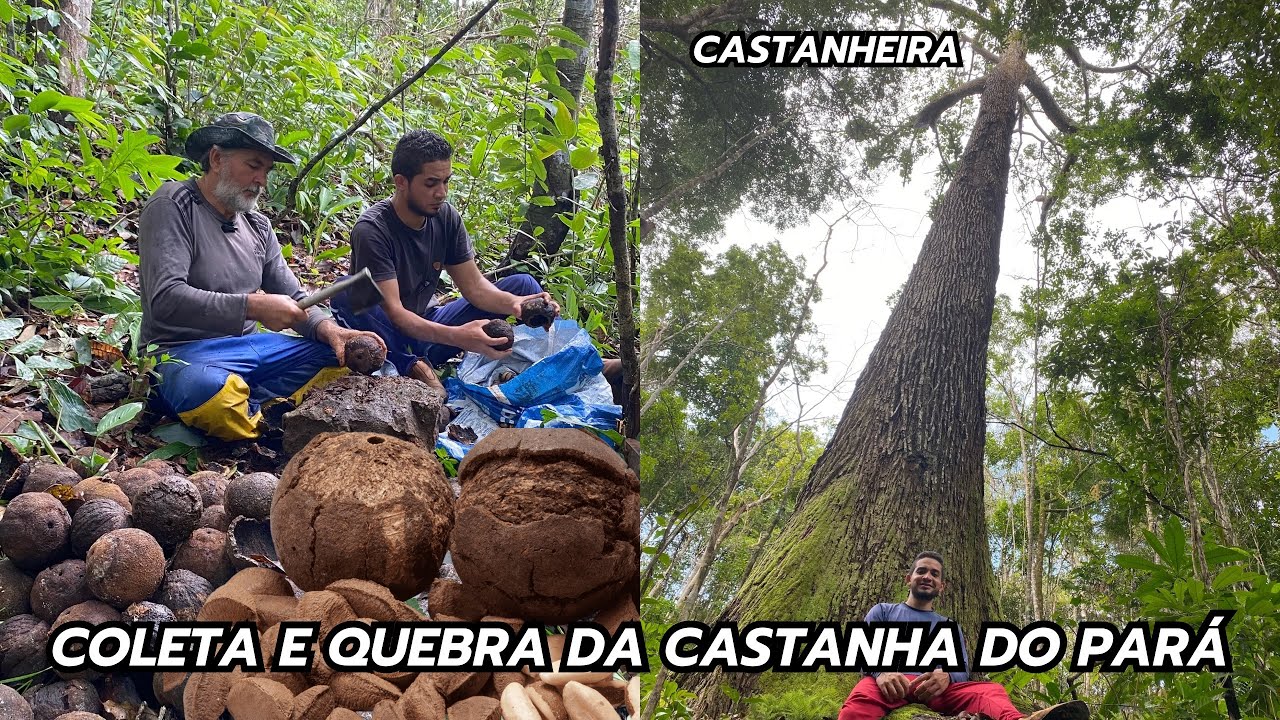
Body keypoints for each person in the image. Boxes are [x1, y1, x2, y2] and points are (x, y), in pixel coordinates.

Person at [138, 111, 384, 441]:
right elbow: (164, 299)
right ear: (216, 159)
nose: (262, 180)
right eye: (253, 165)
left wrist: (331, 330)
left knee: (345, 357)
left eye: (266, 170)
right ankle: (275, 421)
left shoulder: (257, 226)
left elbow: (297, 299)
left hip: (251, 350)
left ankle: (267, 409)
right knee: (211, 390)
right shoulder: (174, 205)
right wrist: (252, 306)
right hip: (180, 354)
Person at [331, 129, 558, 389]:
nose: (441, 193)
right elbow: (396, 316)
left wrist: (516, 303)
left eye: (446, 182)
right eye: (431, 184)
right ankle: (418, 372)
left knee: (524, 288)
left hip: (430, 327)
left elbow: (475, 288)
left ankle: (565, 359)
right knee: (347, 291)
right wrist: (460, 337)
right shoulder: (372, 230)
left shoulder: (445, 217)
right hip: (388, 337)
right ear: (401, 182)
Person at [838, 552, 1090, 720]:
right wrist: (881, 672)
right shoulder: (883, 611)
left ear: (941, 586)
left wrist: (946, 676)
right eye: (921, 571)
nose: (927, 576)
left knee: (990, 692)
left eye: (934, 574)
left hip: (935, 691)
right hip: (890, 685)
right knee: (853, 710)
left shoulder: (948, 626)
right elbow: (862, 649)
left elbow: (962, 669)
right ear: (909, 579)